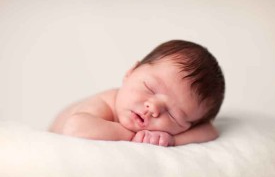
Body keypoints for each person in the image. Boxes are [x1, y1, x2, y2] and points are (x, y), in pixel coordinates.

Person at [49, 40, 225, 146]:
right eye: (150, 88)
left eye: (173, 115)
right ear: (131, 72)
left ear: (187, 126)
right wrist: (135, 137)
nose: (154, 108)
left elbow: (210, 130)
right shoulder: (106, 103)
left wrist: (172, 140)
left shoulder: (184, 128)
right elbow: (75, 128)